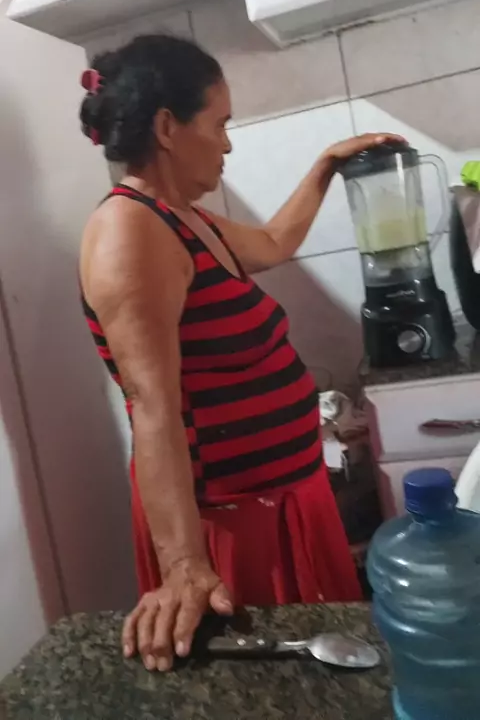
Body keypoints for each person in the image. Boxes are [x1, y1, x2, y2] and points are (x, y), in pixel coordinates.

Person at [79, 34, 403, 673]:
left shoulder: (185, 219)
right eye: (219, 123)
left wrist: (326, 166)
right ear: (168, 127)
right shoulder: (131, 230)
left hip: (282, 501)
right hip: (229, 524)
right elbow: (152, 407)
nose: (227, 143)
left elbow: (275, 242)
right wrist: (185, 565)